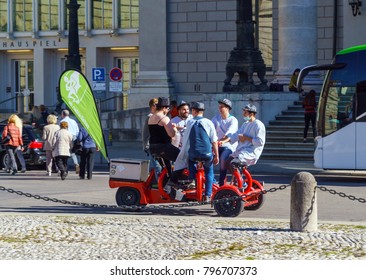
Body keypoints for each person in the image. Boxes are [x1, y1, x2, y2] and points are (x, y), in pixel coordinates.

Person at [174, 102, 219, 202]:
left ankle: (192, 179)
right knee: (209, 172)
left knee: (190, 162)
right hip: (207, 154)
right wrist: (216, 156)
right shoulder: (209, 122)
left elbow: (186, 140)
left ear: (194, 111)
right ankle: (208, 195)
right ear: (202, 112)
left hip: (194, 154)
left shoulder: (190, 122)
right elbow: (214, 141)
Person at [222, 104, 266, 176]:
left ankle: (241, 183)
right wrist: (224, 141)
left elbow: (260, 142)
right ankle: (239, 180)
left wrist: (246, 138)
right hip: (242, 150)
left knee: (234, 163)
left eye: (245, 112)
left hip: (251, 151)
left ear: (251, 114)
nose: (243, 114)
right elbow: (236, 135)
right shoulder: (245, 124)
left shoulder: (259, 125)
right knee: (227, 162)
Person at [148, 97, 179, 176]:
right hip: (164, 146)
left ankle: (168, 181)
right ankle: (175, 180)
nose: (168, 110)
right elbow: (171, 134)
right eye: (168, 108)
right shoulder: (164, 118)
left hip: (153, 147)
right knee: (182, 157)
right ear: (164, 108)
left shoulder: (151, 117)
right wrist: (174, 129)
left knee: (167, 166)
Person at [212, 98, 238, 186]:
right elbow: (211, 130)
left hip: (229, 146)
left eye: (222, 107)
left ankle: (221, 183)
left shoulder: (233, 120)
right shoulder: (216, 118)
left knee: (223, 159)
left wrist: (222, 141)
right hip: (217, 145)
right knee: (207, 158)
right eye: (219, 106)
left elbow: (229, 135)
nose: (219, 108)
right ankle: (212, 180)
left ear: (227, 108)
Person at [142, 98, 162, 181]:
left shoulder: (161, 116)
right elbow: (145, 133)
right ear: (153, 106)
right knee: (158, 167)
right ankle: (161, 187)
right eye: (157, 105)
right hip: (152, 145)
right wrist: (146, 145)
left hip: (161, 145)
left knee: (162, 167)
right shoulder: (150, 117)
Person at [60, 109, 80, 174]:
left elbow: (60, 131)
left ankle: (65, 168)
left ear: (63, 114)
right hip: (74, 137)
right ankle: (76, 163)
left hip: (65, 136)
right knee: (72, 152)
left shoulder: (62, 121)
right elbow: (77, 131)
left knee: (65, 152)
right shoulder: (73, 121)